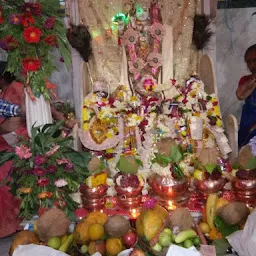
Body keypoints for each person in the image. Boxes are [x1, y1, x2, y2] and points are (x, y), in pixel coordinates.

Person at [0, 62, 78, 238]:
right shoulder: (15, 88)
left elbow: (34, 110)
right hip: (16, 139)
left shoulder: (21, 88)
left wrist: (63, 121)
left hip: (24, 137)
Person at [236, 44, 256, 148]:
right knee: (245, 155)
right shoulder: (245, 80)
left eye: (255, 61)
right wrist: (253, 79)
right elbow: (240, 95)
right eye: (249, 62)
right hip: (248, 123)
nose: (252, 65)